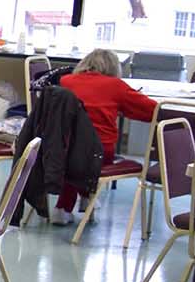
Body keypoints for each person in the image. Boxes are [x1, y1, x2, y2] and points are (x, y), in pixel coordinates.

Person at [51, 48, 157, 224]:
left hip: (59, 148)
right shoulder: (116, 86)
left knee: (74, 152)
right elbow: (151, 111)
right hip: (98, 152)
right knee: (86, 154)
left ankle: (69, 205)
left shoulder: (65, 81)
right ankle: (84, 199)